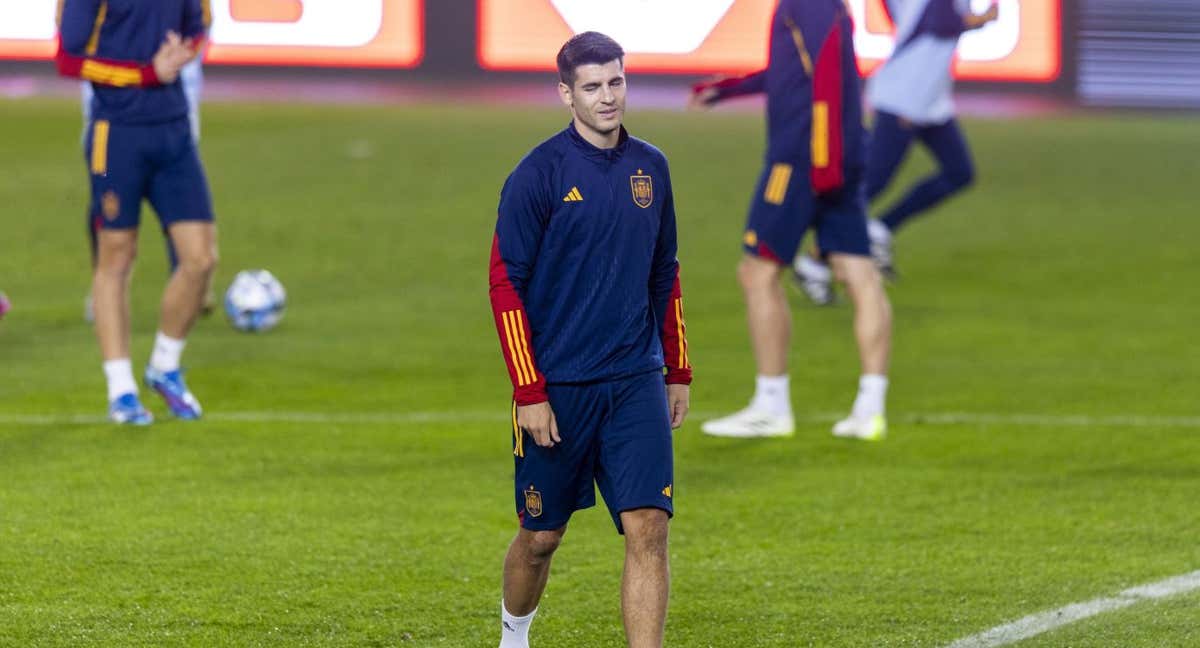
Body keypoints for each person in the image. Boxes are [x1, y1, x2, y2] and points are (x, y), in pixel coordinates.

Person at [488, 31, 692, 648]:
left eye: (617, 82)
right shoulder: (537, 175)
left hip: (635, 380)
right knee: (541, 537)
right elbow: (505, 286)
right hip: (559, 387)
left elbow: (666, 272)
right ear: (566, 94)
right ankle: (514, 635)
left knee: (648, 527)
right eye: (593, 87)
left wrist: (676, 370)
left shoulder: (651, 168)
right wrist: (529, 389)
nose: (608, 98)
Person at [690, 0, 892, 440]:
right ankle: (870, 408)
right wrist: (729, 89)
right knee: (857, 270)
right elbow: (795, 77)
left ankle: (771, 405)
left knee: (758, 271)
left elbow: (825, 78)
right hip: (836, 153)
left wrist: (823, 164)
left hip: (803, 160)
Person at [58, 0, 218, 425]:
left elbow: (200, 22)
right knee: (117, 255)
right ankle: (121, 390)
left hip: (174, 131)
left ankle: (164, 366)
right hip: (116, 135)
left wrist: (186, 50)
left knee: (201, 259)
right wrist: (148, 74)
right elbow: (68, 59)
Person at [795, 0, 999, 298]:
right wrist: (981, 19)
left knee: (959, 173)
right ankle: (815, 260)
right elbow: (940, 21)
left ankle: (881, 228)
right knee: (871, 183)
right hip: (903, 98)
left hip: (930, 101)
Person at [81, 57, 208, 323]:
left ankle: (188, 283)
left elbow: (199, 24)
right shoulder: (97, 17)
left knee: (179, 198)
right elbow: (70, 52)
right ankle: (101, 286)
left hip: (172, 112)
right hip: (110, 119)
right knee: (106, 200)